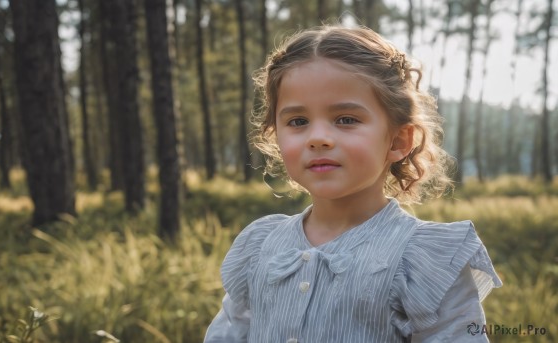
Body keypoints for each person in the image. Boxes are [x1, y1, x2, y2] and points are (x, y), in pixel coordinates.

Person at [204, 25, 502, 342]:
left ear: (398, 140)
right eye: (298, 121)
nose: (317, 138)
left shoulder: (424, 259)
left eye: (346, 119)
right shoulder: (260, 244)